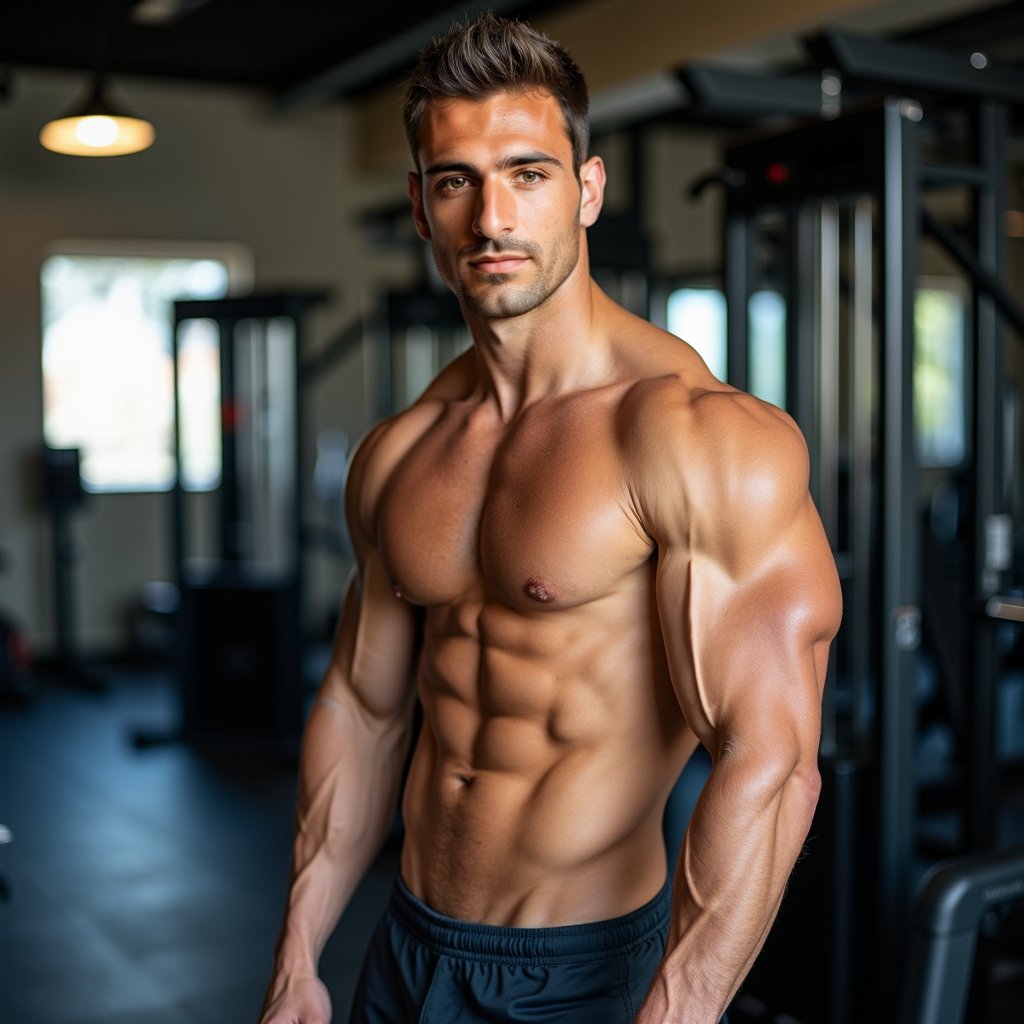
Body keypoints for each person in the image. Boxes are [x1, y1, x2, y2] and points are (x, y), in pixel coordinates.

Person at [259, 12, 842, 1024]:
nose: (491, 219)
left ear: (588, 189)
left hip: (583, 972)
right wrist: (299, 950)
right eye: (456, 182)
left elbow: (772, 760)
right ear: (419, 204)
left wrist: (680, 1007)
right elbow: (364, 706)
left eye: (527, 174)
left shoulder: (691, 436)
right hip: (404, 947)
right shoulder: (401, 451)